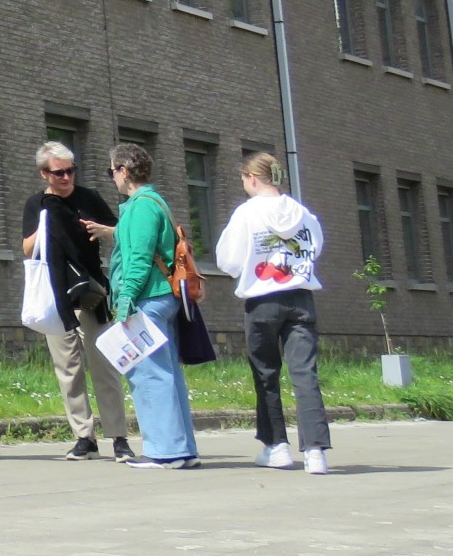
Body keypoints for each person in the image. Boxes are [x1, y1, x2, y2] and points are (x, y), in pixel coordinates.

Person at [215, 151, 331, 475]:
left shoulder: (246, 213)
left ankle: (276, 445)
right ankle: (316, 451)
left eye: (243, 179)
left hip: (262, 299)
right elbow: (315, 247)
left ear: (252, 178)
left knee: (266, 373)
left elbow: (228, 260)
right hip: (301, 297)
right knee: (305, 373)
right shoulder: (304, 214)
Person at [21, 141, 132, 462]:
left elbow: (121, 231)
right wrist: (43, 226)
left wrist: (104, 229)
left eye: (71, 170)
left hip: (92, 292)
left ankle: (118, 436)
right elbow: (27, 249)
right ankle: (84, 436)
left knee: (105, 365)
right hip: (56, 296)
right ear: (45, 173)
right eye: (59, 172)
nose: (66, 177)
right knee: (68, 369)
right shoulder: (36, 204)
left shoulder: (89, 198)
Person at [107, 143, 200, 469]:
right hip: (162, 298)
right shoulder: (152, 202)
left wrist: (124, 303)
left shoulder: (142, 206)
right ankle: (182, 450)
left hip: (148, 300)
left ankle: (164, 452)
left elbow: (139, 260)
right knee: (167, 375)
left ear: (123, 170)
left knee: (149, 376)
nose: (113, 179)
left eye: (112, 172)